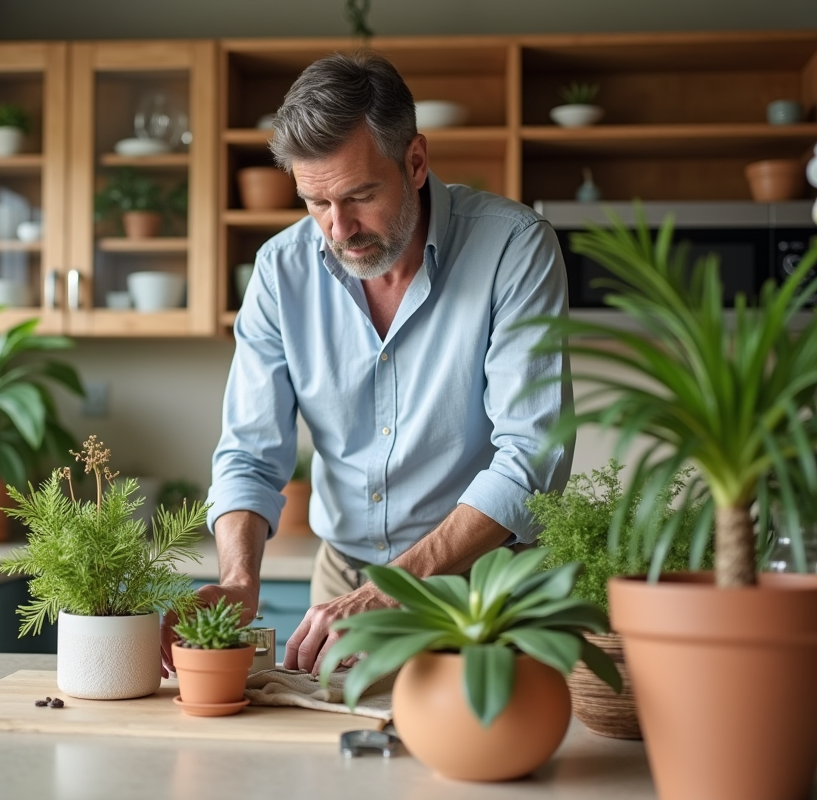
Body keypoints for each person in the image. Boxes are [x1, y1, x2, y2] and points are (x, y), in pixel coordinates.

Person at [162, 51, 573, 675]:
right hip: (342, 579)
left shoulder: (514, 247)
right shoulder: (281, 271)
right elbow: (250, 453)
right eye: (314, 202)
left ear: (415, 162)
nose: (338, 228)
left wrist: (395, 587)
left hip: (478, 587)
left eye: (359, 195)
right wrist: (240, 579)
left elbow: (532, 456)